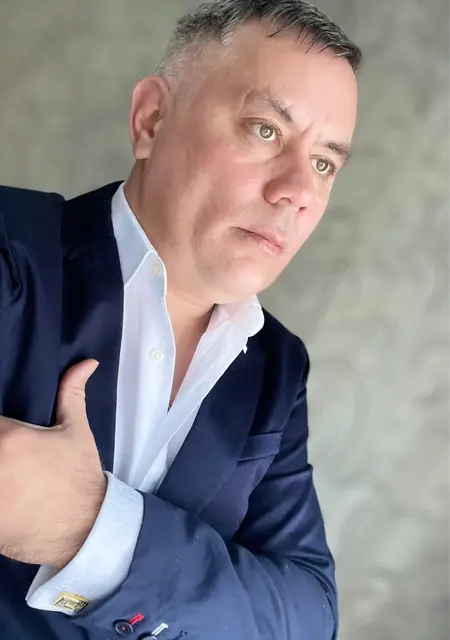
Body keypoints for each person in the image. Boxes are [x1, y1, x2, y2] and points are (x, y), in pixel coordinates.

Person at [0, 1, 360, 638]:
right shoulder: (9, 249)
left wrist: (89, 529)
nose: (299, 191)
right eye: (265, 131)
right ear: (151, 120)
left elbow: (308, 616)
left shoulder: (276, 369)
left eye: (325, 163)